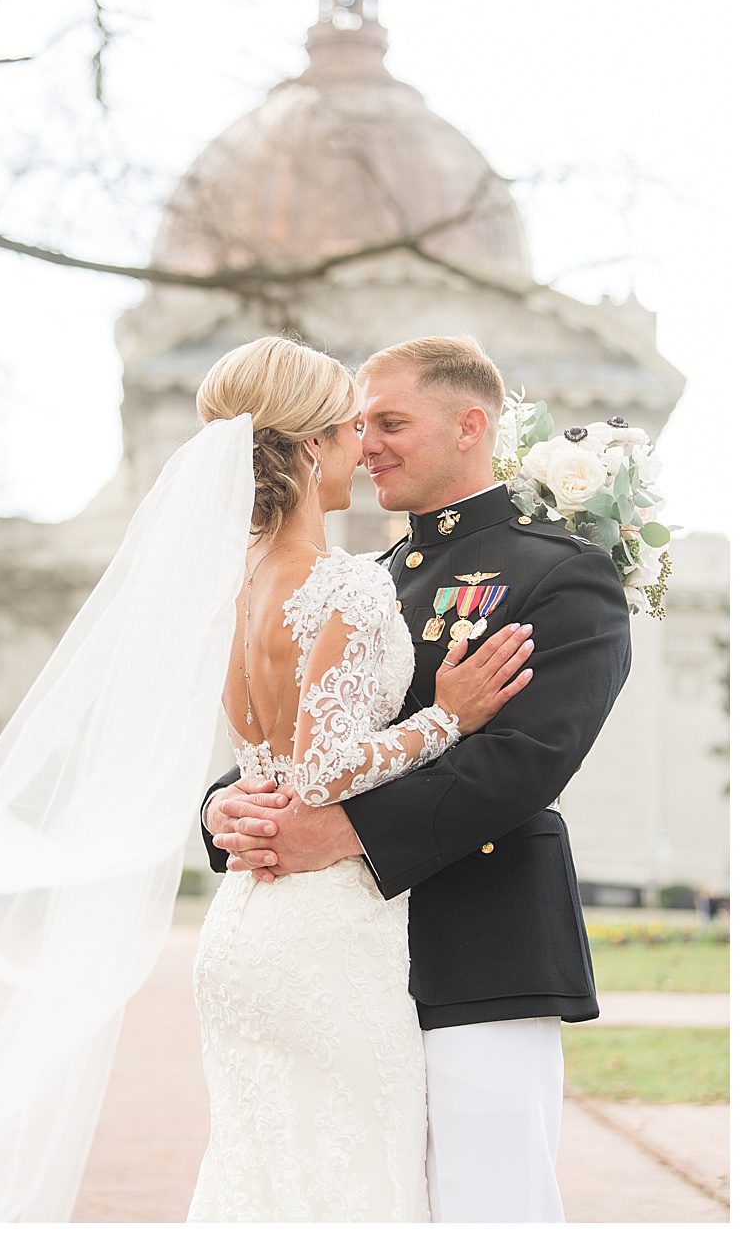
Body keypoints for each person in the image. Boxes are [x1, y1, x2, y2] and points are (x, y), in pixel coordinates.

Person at [204, 336, 628, 1221]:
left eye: (389, 423)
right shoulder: (357, 577)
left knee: (488, 1203)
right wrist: (223, 808)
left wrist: (348, 834)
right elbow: (300, 734)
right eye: (358, 425)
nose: (367, 443)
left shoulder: (558, 571)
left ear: (470, 425)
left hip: (477, 945)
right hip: (343, 951)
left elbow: (523, 759)